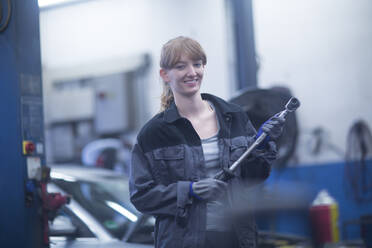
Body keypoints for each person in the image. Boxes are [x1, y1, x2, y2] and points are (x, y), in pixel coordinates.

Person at [129, 36, 285, 248]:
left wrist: (264, 143)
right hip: (184, 242)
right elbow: (141, 196)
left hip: (236, 238)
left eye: (197, 64)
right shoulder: (154, 133)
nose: (192, 72)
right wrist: (190, 190)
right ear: (165, 74)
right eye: (180, 66)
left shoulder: (234, 116)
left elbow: (254, 176)